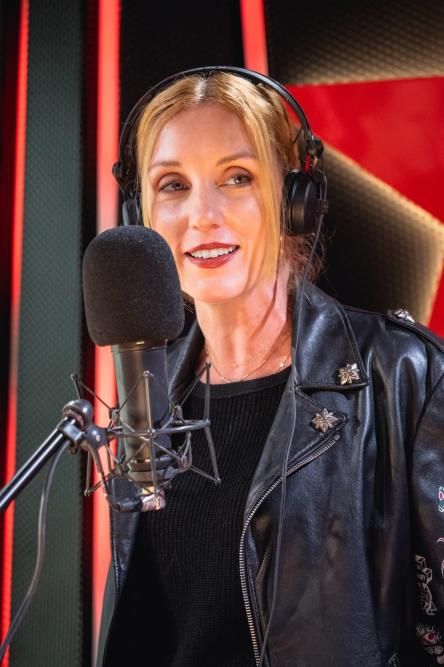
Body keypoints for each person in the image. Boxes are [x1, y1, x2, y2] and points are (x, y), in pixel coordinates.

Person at [97, 69, 444, 667]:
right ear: (141, 215)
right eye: (173, 185)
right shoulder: (148, 395)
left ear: (293, 200)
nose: (202, 214)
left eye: (237, 177)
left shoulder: (404, 373)